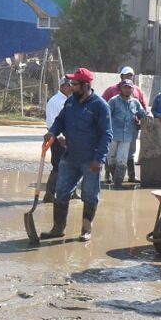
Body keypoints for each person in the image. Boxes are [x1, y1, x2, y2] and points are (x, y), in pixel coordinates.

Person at [42, 68, 112, 242]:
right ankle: (58, 228)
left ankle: (86, 229)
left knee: (89, 195)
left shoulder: (100, 105)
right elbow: (60, 120)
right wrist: (52, 133)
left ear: (85, 85)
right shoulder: (70, 102)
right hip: (70, 156)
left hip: (90, 159)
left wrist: (99, 159)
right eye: (71, 83)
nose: (71, 87)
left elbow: (106, 135)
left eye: (74, 84)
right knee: (61, 192)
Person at [101, 66, 148, 183]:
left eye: (129, 87)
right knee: (111, 156)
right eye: (125, 87)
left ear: (132, 89)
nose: (127, 89)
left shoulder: (135, 100)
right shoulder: (113, 99)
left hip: (128, 133)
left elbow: (143, 111)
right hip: (113, 133)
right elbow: (104, 111)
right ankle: (109, 176)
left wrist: (149, 117)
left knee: (123, 158)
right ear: (121, 84)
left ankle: (118, 183)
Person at [43, 75, 73, 203]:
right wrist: (60, 137)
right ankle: (49, 194)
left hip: (71, 138)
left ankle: (72, 192)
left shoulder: (73, 100)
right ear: (63, 86)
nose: (71, 88)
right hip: (57, 139)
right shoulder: (54, 101)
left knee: (73, 165)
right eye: (69, 86)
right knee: (58, 165)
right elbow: (51, 122)